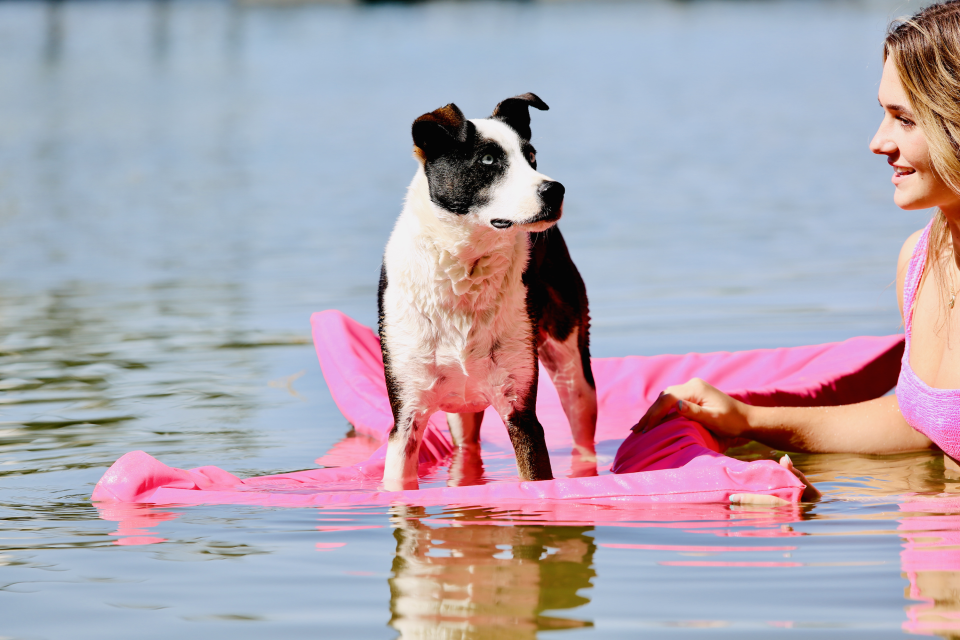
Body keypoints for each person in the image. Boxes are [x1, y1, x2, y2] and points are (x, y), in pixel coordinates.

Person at [634, 1, 960, 497]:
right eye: (883, 114)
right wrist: (747, 420)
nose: (878, 142)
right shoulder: (920, 260)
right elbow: (923, 425)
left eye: (905, 119)